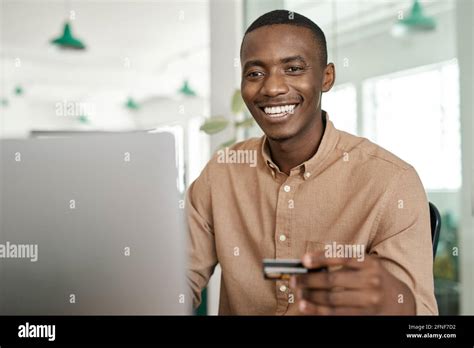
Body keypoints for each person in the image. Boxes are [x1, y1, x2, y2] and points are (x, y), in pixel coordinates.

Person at [186, 9, 438, 315]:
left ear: (326, 77)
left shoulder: (392, 182)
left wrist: (397, 303)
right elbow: (178, 278)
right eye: (255, 73)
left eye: (293, 68)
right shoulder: (222, 172)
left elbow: (425, 323)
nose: (272, 88)